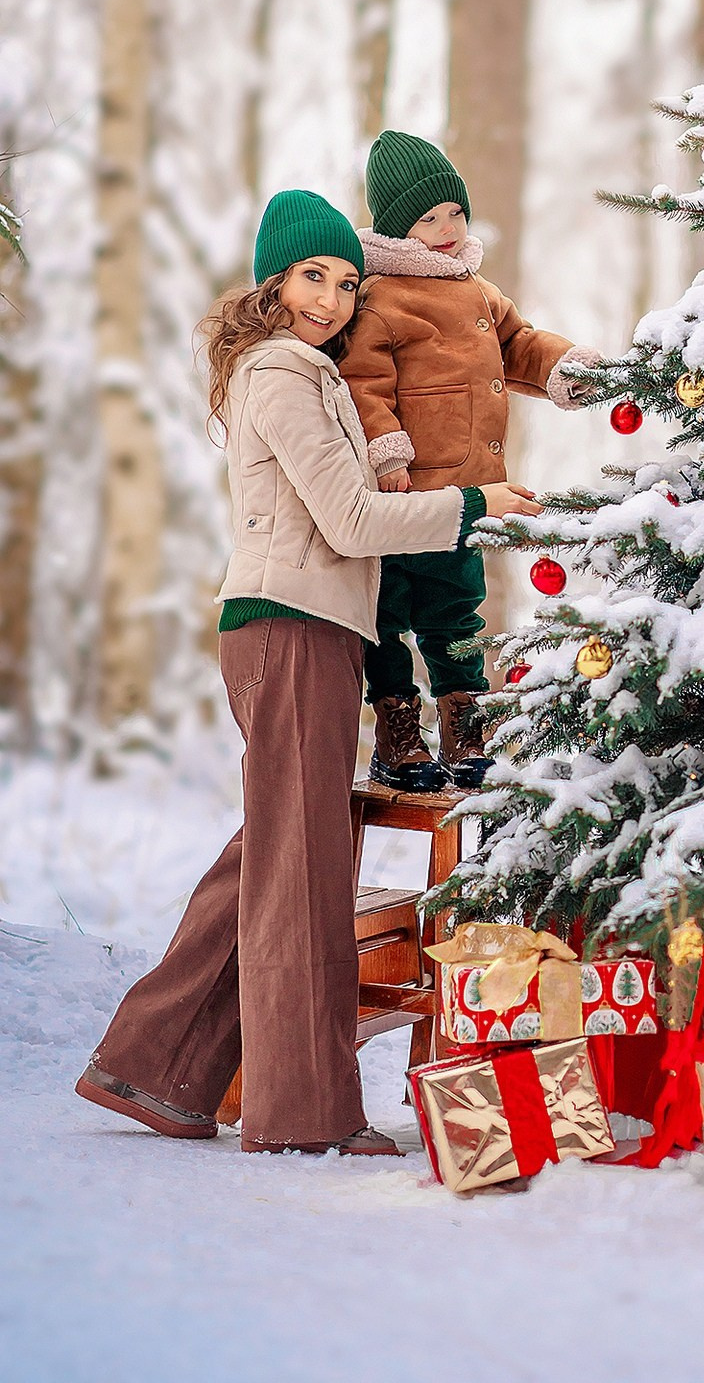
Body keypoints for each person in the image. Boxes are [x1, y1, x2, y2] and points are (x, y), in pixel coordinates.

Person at [75, 190, 523, 1155]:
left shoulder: (299, 368)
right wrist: (474, 504)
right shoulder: (280, 371)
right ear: (273, 276)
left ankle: (155, 1068)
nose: (329, 298)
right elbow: (351, 520)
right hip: (292, 628)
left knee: (273, 853)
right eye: (313, 275)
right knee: (306, 872)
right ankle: (302, 1113)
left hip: (301, 628)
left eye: (346, 282)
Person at [341, 130, 599, 793]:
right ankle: (396, 729)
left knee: (457, 612)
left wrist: (565, 366)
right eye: (429, 219)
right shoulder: (381, 297)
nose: (449, 228)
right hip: (406, 500)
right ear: (400, 228)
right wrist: (386, 448)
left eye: (455, 213)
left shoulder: (478, 292)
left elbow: (522, 346)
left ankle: (463, 724)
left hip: (466, 499)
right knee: (388, 613)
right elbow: (363, 380)